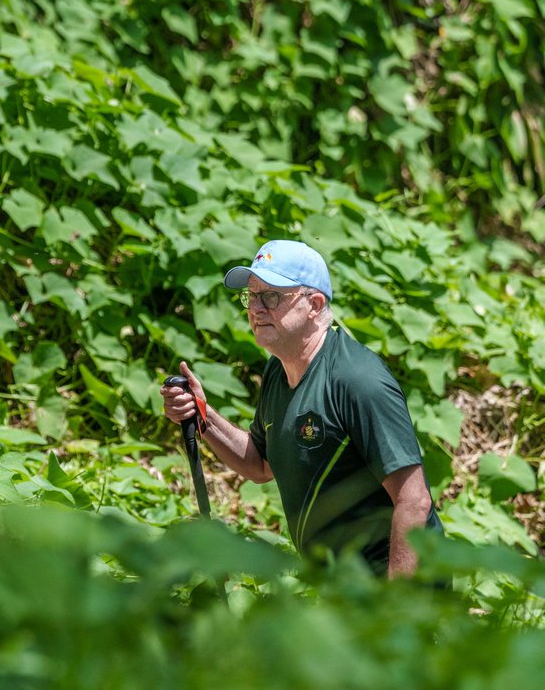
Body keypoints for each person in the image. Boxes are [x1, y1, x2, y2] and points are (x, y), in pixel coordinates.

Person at [161, 239, 444, 578]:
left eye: (272, 296)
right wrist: (201, 415)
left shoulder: (356, 380)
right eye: (252, 295)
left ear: (314, 304)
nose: (256, 308)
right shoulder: (279, 371)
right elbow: (260, 465)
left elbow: (414, 501)